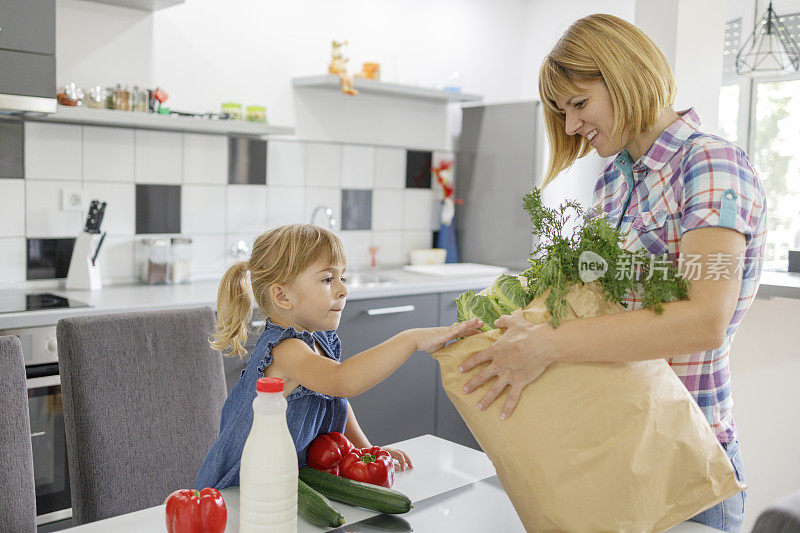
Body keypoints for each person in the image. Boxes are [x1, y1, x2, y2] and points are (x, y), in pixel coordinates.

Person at [458, 14, 766, 532]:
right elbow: (601, 306)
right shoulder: (612, 184)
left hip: (687, 459)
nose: (572, 126)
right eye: (563, 112)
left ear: (625, 74)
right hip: (622, 450)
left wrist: (549, 342)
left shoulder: (710, 164)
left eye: (578, 104)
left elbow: (703, 321)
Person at [194, 224, 482, 490]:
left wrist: (367, 451)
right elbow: (342, 381)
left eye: (342, 277)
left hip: (290, 487)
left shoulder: (318, 341)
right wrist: (411, 339)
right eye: (328, 279)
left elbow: (336, 400)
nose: (343, 289)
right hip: (246, 493)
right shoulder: (285, 351)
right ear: (282, 296)